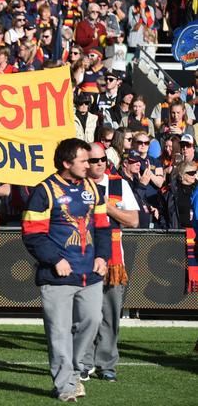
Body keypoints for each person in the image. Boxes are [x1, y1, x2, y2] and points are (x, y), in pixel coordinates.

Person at [22, 138, 111, 401]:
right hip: (57, 275)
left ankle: (72, 371)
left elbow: (103, 227)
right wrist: (54, 260)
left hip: (90, 274)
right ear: (66, 163)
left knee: (92, 322)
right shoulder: (44, 191)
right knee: (59, 332)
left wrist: (103, 257)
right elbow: (32, 233)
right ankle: (65, 386)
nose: (90, 165)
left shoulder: (94, 189)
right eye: (84, 161)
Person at [82, 143, 139, 383]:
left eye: (102, 159)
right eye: (94, 160)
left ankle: (105, 363)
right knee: (85, 314)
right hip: (84, 256)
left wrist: (107, 207)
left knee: (110, 315)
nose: (99, 164)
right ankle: (83, 362)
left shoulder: (119, 184)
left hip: (114, 260)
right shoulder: (78, 184)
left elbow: (134, 221)